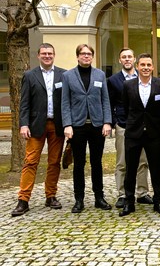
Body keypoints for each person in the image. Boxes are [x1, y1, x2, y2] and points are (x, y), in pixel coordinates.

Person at [11, 44, 66, 217]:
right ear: (38, 56)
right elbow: (24, 103)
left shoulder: (63, 75)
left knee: (54, 162)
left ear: (54, 55)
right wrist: (23, 124)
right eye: (44, 53)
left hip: (56, 125)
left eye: (50, 53)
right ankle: (23, 199)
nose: (47, 56)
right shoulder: (30, 75)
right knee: (30, 161)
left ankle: (51, 196)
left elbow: (66, 101)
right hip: (35, 125)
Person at [61, 44, 112, 213]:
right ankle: (79, 199)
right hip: (77, 126)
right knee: (79, 163)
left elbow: (105, 100)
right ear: (77, 56)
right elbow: (65, 102)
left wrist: (107, 122)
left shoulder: (100, 75)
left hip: (97, 125)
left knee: (96, 162)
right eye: (83, 54)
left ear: (92, 56)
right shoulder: (68, 76)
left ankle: (99, 197)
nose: (86, 56)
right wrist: (67, 124)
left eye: (89, 54)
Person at [119, 54, 160, 216]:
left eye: (149, 65)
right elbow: (126, 107)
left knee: (156, 169)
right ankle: (129, 202)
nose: (146, 68)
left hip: (154, 133)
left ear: (153, 67)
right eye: (143, 65)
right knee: (131, 168)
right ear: (137, 66)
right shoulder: (128, 85)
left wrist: (157, 123)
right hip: (133, 133)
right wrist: (133, 123)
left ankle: (159, 201)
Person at [108, 48, 152, 209]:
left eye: (129, 57)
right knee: (122, 161)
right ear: (120, 60)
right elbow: (109, 103)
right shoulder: (113, 80)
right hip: (123, 125)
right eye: (124, 57)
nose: (127, 59)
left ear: (134, 60)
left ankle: (142, 192)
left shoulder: (143, 77)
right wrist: (113, 122)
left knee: (142, 161)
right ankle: (122, 194)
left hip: (142, 126)